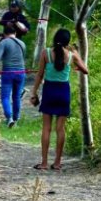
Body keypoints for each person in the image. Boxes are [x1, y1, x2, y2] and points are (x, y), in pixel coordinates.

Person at [29, 28, 89, 171]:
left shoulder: (46, 53)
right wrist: (75, 54)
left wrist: (34, 92)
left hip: (49, 91)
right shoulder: (71, 56)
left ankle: (44, 163)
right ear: (67, 42)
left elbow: (39, 75)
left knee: (46, 128)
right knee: (60, 129)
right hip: (63, 92)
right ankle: (57, 163)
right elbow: (85, 70)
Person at [0, 24, 26, 127]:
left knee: (5, 96)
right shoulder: (22, 43)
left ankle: (9, 118)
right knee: (17, 96)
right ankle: (16, 119)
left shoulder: (4, 42)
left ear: (4, 34)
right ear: (15, 33)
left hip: (8, 72)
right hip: (21, 72)